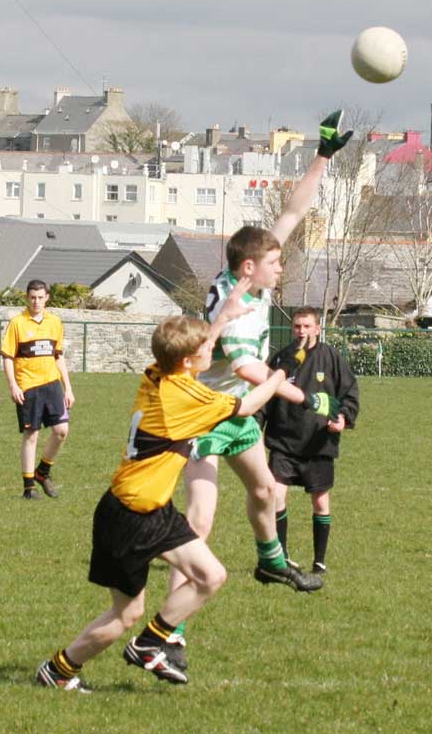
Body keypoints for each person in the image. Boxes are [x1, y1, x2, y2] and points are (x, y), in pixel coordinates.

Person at [35, 280, 290, 691]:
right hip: (129, 518)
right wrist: (278, 374)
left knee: (211, 575)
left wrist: (222, 315)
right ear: (189, 361)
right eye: (207, 351)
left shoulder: (158, 373)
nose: (214, 351)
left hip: (153, 509)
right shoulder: (188, 399)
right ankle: (60, 670)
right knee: (125, 614)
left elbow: (200, 345)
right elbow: (249, 405)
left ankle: (150, 643)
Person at [167, 110, 353, 661]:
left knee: (268, 491)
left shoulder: (247, 283)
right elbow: (248, 370)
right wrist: (295, 391)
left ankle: (270, 562)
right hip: (207, 413)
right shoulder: (239, 310)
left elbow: (294, 212)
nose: (281, 266)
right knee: (199, 522)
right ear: (250, 268)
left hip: (237, 415)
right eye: (274, 262)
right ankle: (169, 633)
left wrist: (323, 156)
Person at [258, 307, 359, 575]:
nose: (301, 331)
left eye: (306, 326)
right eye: (297, 327)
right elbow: (264, 397)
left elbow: (349, 393)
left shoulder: (331, 357)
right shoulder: (281, 358)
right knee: (276, 496)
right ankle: (281, 558)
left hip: (318, 443)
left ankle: (320, 561)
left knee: (320, 502)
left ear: (317, 329)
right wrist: (256, 426)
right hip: (283, 443)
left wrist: (343, 419)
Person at [1, 279, 74, 500]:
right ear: (27, 298)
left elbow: (58, 356)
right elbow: (8, 357)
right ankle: (28, 488)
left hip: (52, 385)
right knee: (31, 434)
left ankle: (43, 472)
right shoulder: (17, 323)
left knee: (62, 431)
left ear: (47, 298)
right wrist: (13, 385)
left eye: (40, 297)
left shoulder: (55, 322)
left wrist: (68, 388)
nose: (36, 301)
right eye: (32, 297)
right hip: (28, 386)